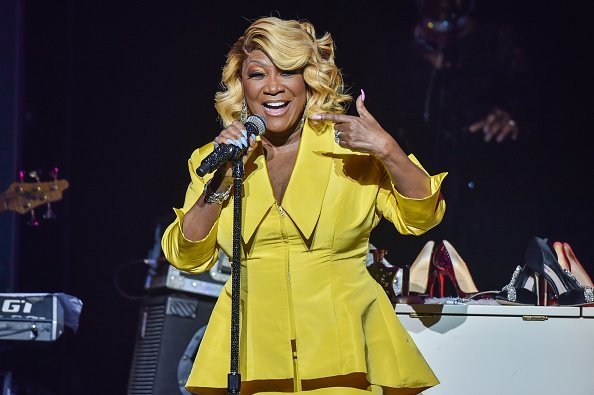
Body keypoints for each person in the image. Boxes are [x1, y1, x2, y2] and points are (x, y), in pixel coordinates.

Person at [161, 16, 447, 395]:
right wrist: (224, 181)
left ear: (308, 80)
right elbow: (187, 256)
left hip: (344, 356)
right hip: (252, 358)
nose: (274, 87)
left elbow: (421, 217)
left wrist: (388, 150)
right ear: (240, 85)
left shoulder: (351, 151)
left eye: (289, 71)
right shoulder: (217, 159)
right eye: (259, 74)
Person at [387, 0, 537, 290]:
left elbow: (531, 105)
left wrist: (511, 118)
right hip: (412, 171)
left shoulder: (493, 40)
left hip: (478, 176)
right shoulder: (397, 42)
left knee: (484, 263)